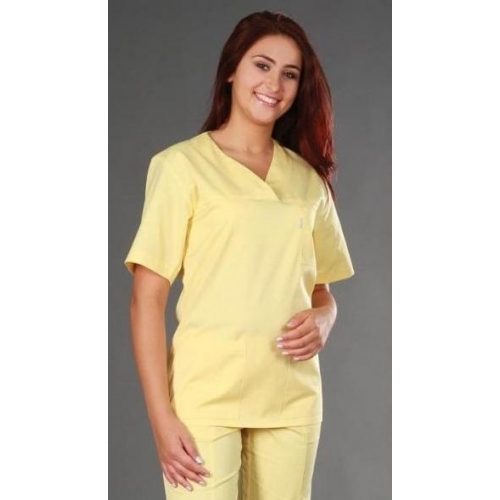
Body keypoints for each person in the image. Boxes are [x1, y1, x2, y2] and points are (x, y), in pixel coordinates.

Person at [124, 10, 355, 500]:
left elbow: (321, 290)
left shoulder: (307, 181)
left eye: (290, 74)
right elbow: (147, 299)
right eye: (262, 65)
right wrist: (161, 419)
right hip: (205, 396)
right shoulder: (181, 167)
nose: (274, 84)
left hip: (291, 397)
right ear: (232, 69)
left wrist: (325, 318)